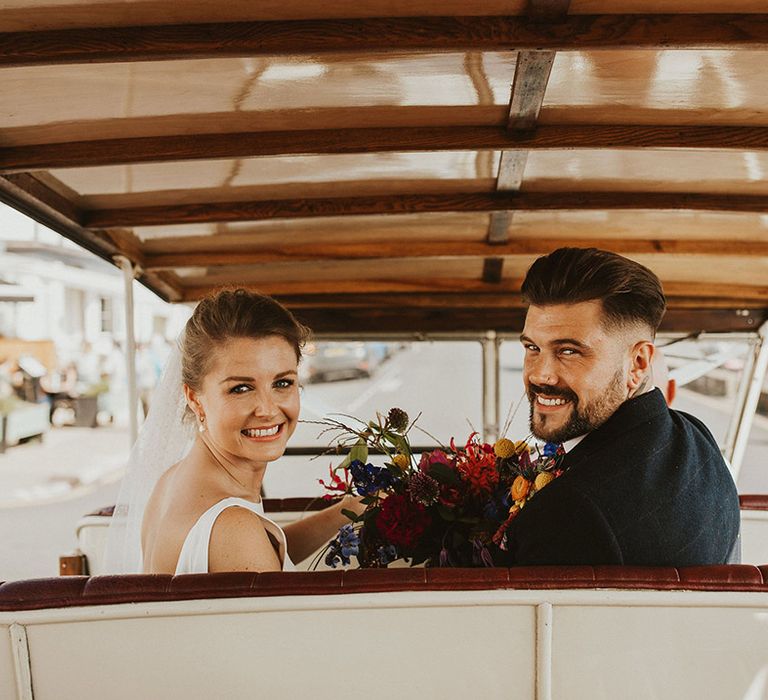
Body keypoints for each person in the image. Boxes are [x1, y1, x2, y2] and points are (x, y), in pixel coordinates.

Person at [495, 247, 739, 566]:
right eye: (532, 347)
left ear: (638, 364)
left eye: (569, 351)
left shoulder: (567, 514)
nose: (540, 374)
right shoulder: (695, 436)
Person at [105, 288, 363, 574]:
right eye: (241, 388)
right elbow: (243, 543)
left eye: (282, 383)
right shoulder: (234, 528)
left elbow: (261, 548)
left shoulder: (172, 481)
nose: (267, 409)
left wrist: (349, 509)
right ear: (194, 399)